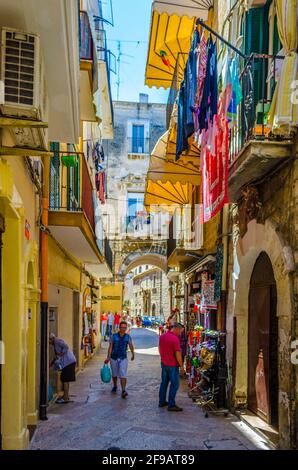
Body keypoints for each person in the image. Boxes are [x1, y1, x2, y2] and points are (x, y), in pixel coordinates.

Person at [105, 321, 135, 399]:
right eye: (122, 327)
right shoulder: (113, 336)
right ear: (119, 328)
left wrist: (133, 354)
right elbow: (110, 347)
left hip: (123, 358)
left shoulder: (128, 337)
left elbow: (131, 345)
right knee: (114, 374)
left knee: (123, 374)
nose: (123, 329)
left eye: (125, 327)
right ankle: (115, 385)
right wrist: (108, 357)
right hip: (113, 357)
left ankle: (123, 390)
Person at [158, 322, 184, 411]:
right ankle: (171, 404)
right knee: (175, 384)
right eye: (180, 331)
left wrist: (163, 357)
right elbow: (178, 353)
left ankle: (161, 401)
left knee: (164, 383)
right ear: (176, 329)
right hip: (172, 365)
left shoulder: (162, 336)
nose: (180, 333)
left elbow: (159, 348)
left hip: (164, 364)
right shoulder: (175, 339)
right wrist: (182, 366)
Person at [49, 333, 76, 404]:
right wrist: (51, 364)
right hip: (69, 362)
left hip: (68, 362)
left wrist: (61, 354)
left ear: (51, 339)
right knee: (65, 379)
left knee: (65, 379)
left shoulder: (57, 341)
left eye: (49, 341)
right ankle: (66, 396)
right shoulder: (55, 343)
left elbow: (66, 347)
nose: (49, 343)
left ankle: (65, 398)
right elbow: (57, 356)